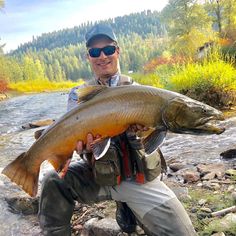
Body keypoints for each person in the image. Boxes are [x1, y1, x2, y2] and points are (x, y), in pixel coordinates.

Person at [38, 24, 197, 236]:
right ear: (89, 57)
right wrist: (81, 147)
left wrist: (139, 134)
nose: (102, 56)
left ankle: (128, 206)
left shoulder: (141, 92)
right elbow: (72, 138)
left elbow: (155, 142)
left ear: (118, 51)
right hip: (99, 177)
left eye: (108, 49)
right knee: (52, 181)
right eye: (95, 52)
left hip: (137, 179)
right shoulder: (78, 95)